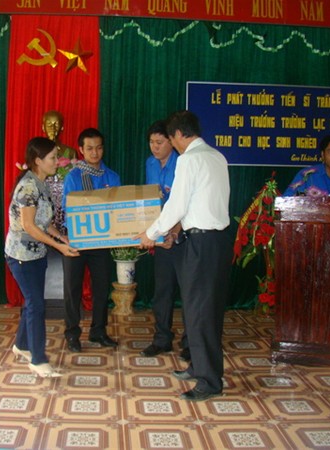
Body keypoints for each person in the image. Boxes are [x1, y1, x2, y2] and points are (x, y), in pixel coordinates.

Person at [136, 110, 231, 402]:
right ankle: (200, 367)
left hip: (201, 244)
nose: (172, 144)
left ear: (178, 134)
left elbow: (177, 204)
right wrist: (176, 230)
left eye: (170, 138)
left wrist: (151, 234)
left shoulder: (189, 159)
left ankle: (209, 382)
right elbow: (200, 202)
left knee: (200, 312)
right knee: (206, 310)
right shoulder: (216, 156)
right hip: (216, 241)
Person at [6, 137, 80, 378]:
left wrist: (61, 237)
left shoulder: (42, 183)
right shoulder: (28, 186)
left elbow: (43, 222)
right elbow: (29, 226)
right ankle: (38, 360)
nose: (58, 161)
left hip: (36, 254)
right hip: (21, 256)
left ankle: (22, 345)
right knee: (37, 304)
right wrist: (58, 247)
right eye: (53, 158)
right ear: (38, 161)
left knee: (32, 301)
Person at [61, 128, 122, 353]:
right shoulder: (73, 177)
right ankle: (72, 334)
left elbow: (118, 208)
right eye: (89, 149)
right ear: (81, 150)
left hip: (102, 242)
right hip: (76, 241)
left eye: (98, 148)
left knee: (101, 288)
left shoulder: (112, 177)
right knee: (72, 289)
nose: (95, 153)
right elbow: (68, 208)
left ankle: (98, 331)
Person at [140, 120, 189, 361]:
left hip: (183, 235)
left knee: (188, 292)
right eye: (151, 142)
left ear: (171, 141)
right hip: (160, 235)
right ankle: (162, 339)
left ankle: (190, 343)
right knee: (162, 291)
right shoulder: (150, 163)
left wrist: (175, 231)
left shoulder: (183, 163)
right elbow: (150, 201)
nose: (155, 147)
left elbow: (186, 204)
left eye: (159, 142)